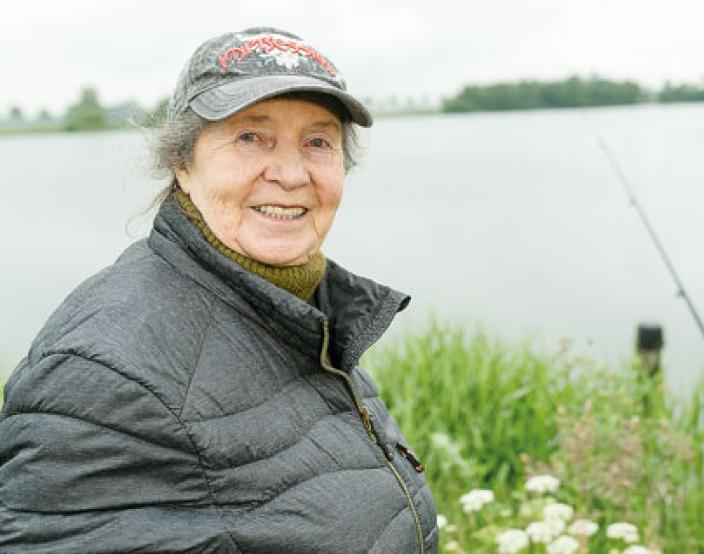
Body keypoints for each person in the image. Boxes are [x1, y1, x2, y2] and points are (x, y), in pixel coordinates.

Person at [0, 27, 439, 553]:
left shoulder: (295, 312)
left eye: (318, 142)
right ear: (183, 164)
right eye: (251, 137)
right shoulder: (104, 371)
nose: (291, 173)